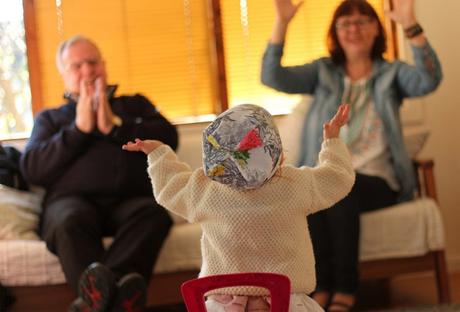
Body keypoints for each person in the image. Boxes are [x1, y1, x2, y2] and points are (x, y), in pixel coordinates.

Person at [261, 0, 442, 310]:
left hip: (379, 179)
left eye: (361, 21)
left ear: (376, 29)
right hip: (330, 174)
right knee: (320, 187)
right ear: (336, 32)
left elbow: (429, 80)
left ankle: (344, 287)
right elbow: (272, 77)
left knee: (341, 187)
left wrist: (410, 24)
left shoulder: (392, 73)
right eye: (345, 23)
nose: (353, 29)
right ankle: (322, 287)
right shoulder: (322, 72)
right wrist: (282, 22)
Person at [122, 103, 355, 312]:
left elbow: (169, 187)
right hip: (285, 303)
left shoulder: (205, 190)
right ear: (278, 155)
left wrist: (158, 153)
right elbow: (337, 178)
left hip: (221, 306)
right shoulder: (294, 185)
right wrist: (332, 141)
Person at [20, 35, 178, 312]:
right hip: (71, 203)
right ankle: (118, 301)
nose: (87, 71)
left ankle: (97, 301)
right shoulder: (51, 118)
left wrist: (116, 126)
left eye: (92, 62)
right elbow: (32, 169)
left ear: (103, 65)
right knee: (69, 220)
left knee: (154, 215)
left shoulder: (134, 106)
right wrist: (78, 129)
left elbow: (169, 139)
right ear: (64, 75)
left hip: (130, 202)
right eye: (76, 66)